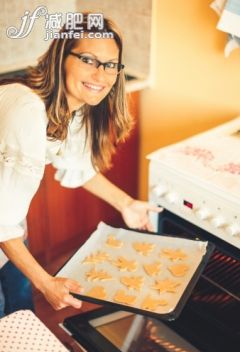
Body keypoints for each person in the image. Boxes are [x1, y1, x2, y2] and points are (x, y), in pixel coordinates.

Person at [0, 14, 160, 317]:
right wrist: (46, 282)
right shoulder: (27, 109)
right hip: (4, 226)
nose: (101, 75)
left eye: (111, 64)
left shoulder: (73, 108)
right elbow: (1, 221)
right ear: (62, 56)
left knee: (20, 309)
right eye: (89, 59)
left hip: (9, 231)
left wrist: (126, 204)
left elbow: (76, 166)